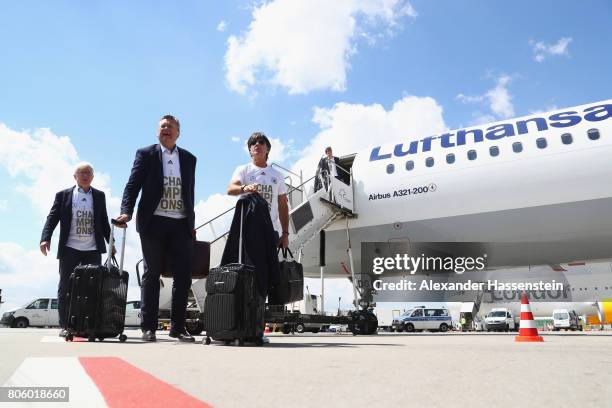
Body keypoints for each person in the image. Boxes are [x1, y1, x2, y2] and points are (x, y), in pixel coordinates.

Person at [116, 114, 197, 342]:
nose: (166, 129)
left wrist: (192, 222)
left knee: (183, 275)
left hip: (181, 223)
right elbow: (132, 185)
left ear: (178, 132)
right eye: (162, 126)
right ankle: (148, 327)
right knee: (152, 273)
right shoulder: (146, 154)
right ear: (157, 132)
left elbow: (190, 193)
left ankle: (178, 327)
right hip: (153, 222)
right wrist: (127, 211)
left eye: (170, 126)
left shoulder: (189, 159)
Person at [40, 162, 111, 337]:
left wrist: (111, 243)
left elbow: (103, 221)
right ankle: (65, 325)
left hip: (92, 248)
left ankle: (88, 325)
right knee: (66, 286)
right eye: (81, 173)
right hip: (70, 248)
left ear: (93, 177)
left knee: (93, 288)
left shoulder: (99, 196)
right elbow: (52, 218)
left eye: (88, 173)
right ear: (75, 176)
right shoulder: (63, 195)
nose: (85, 175)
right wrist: (45, 238)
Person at [227, 132, 289, 249]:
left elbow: (283, 206)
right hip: (248, 228)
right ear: (250, 150)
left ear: (267, 149)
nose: (257, 144)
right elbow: (231, 189)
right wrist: (244, 188)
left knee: (269, 267)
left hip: (271, 229)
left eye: (261, 142)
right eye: (253, 143)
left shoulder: (278, 175)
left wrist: (285, 233)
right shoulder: (243, 170)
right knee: (249, 267)